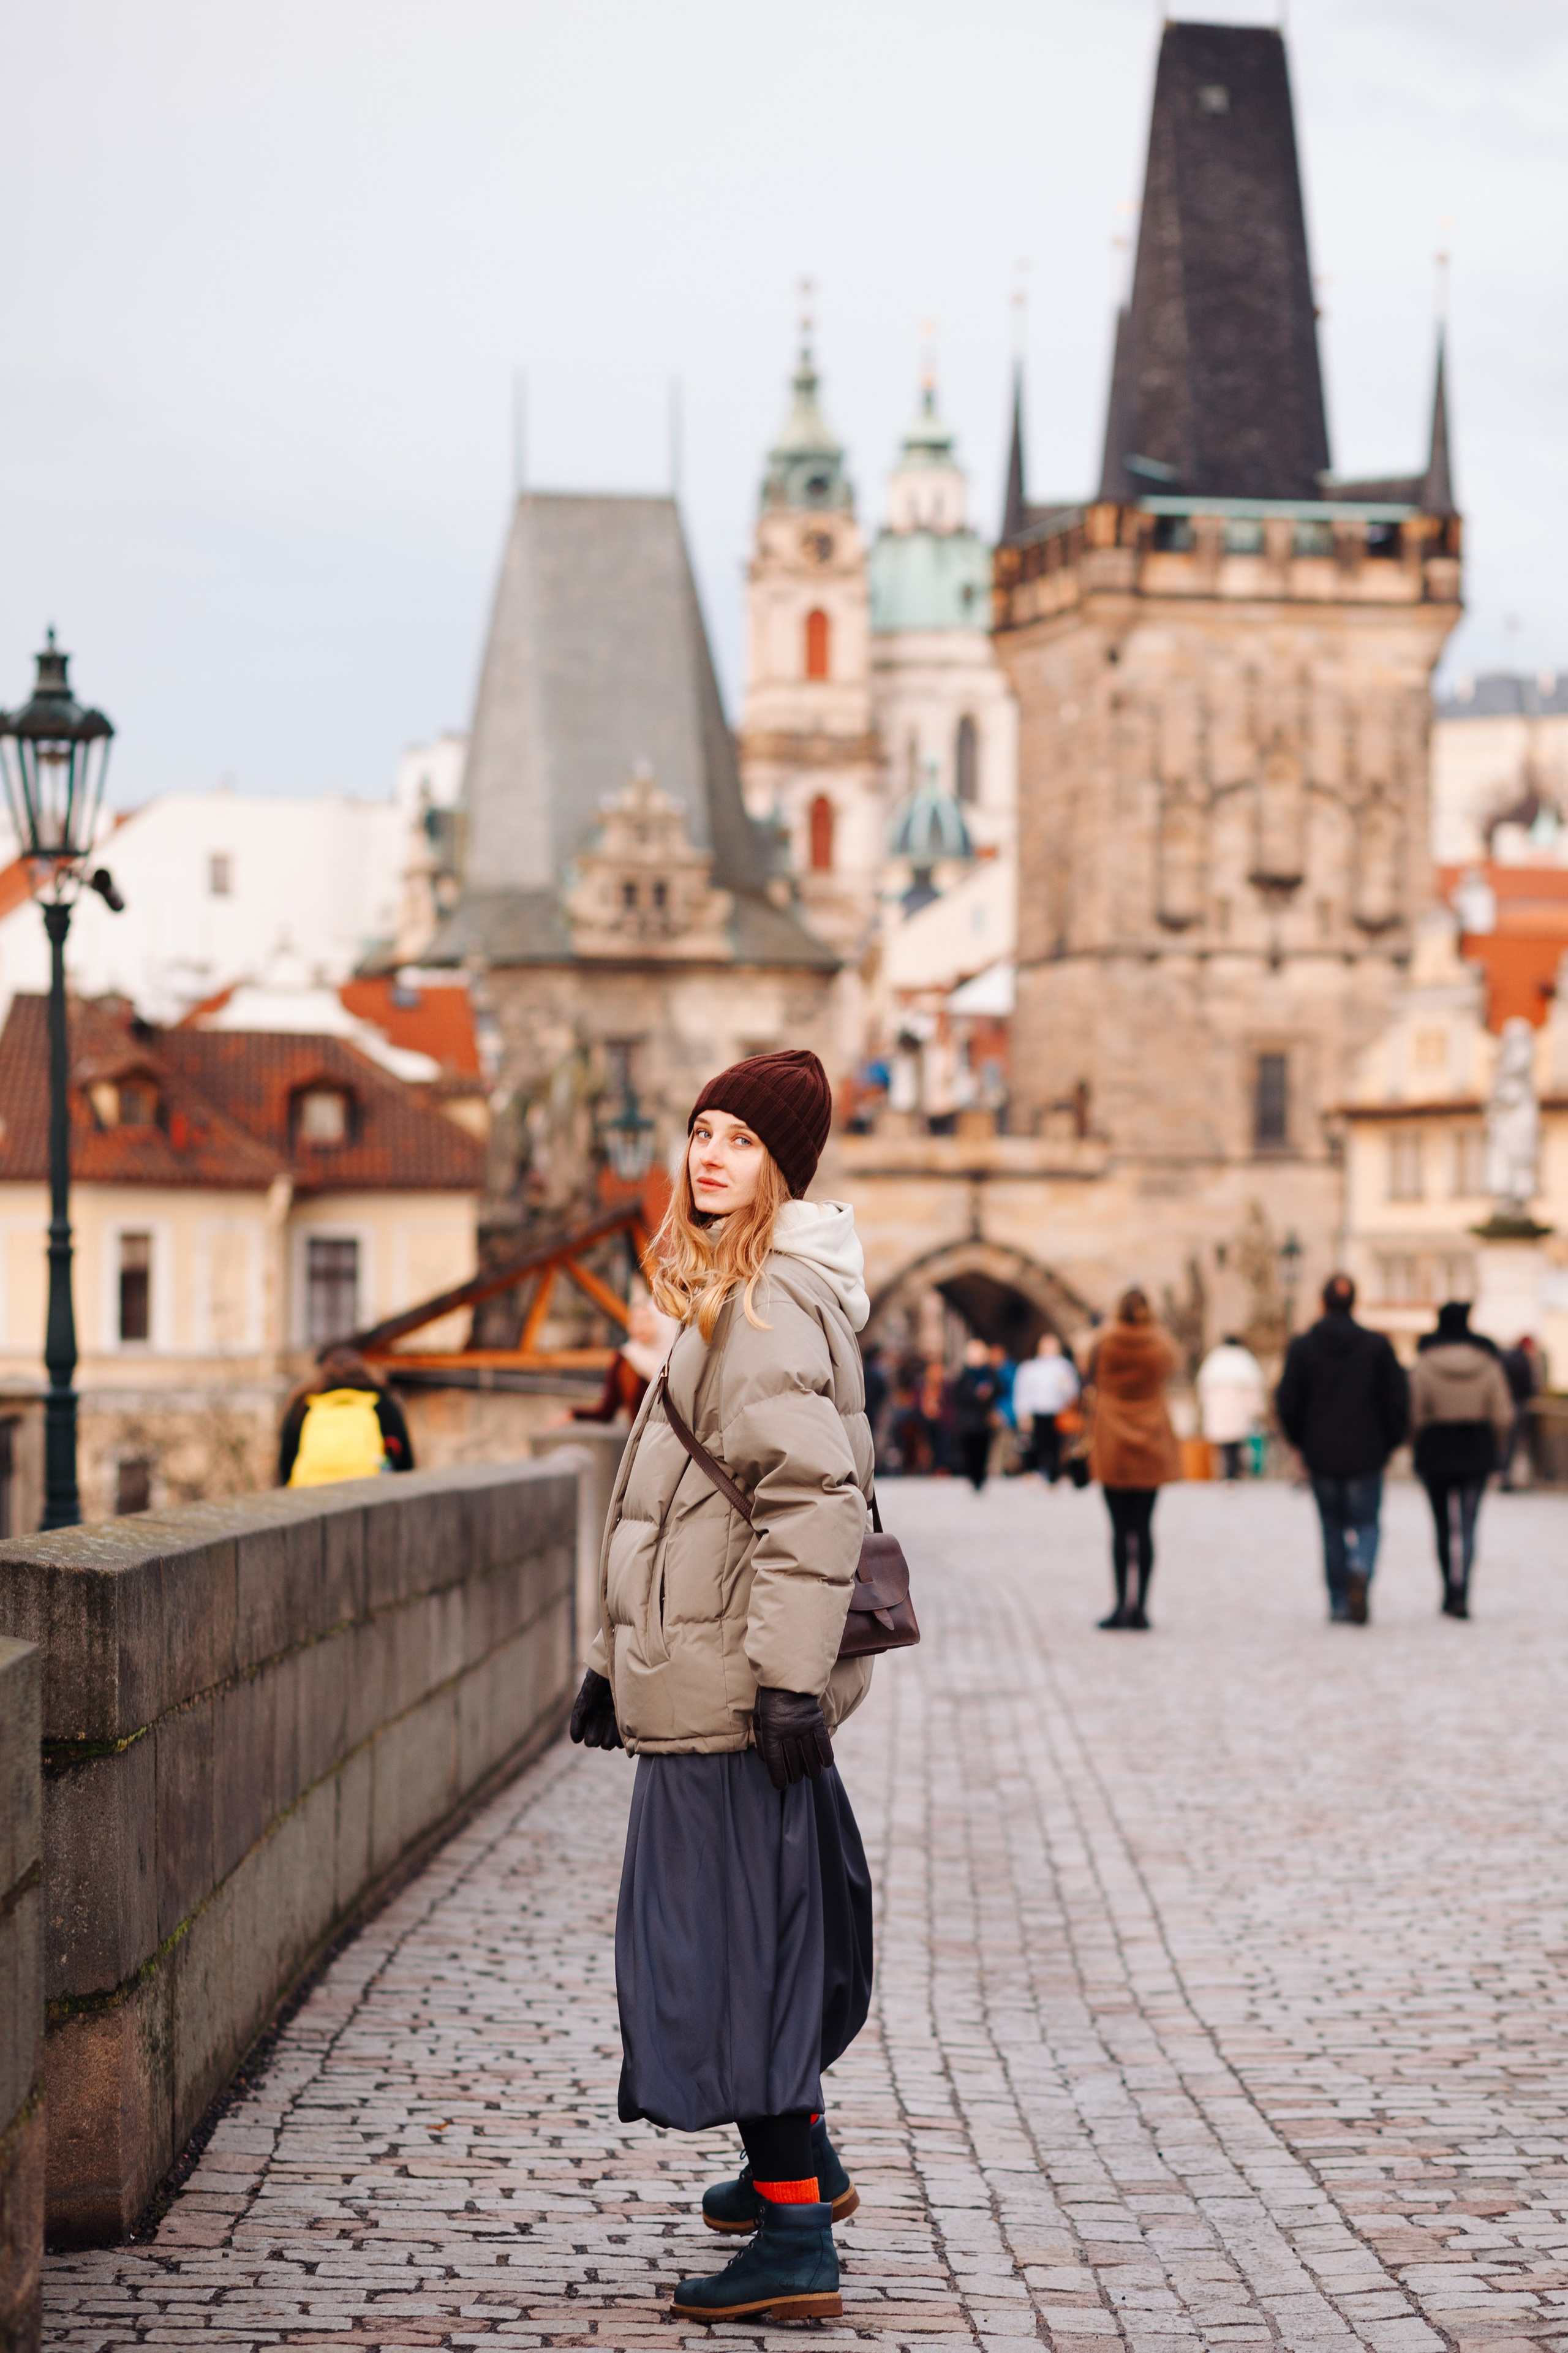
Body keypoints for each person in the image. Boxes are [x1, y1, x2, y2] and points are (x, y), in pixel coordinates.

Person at [568, 1049, 874, 2327]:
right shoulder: (733, 1290)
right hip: (706, 1678)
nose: (707, 1153)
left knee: (730, 1952)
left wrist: (788, 1686)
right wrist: (606, 1666)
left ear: (782, 1169)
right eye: (701, 1127)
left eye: (740, 1139)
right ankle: (786, 2175)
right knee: (752, 1940)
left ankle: (795, 2226)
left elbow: (811, 1504)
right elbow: (667, 1505)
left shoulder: (757, 1308)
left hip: (739, 1691)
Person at [1275, 1274, 1408, 1625]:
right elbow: (1398, 1401)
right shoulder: (1377, 1346)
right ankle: (1361, 1568)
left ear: (1322, 1304)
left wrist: (1300, 1443)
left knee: (1332, 1526)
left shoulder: (1303, 1347)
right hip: (1367, 1452)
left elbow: (1287, 1401)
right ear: (1355, 1304)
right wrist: (1388, 1444)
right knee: (1366, 1523)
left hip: (1322, 1452)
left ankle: (1338, 1600)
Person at [1411, 1301, 1513, 1618]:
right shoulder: (1487, 1363)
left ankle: (1447, 1590)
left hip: (1437, 1446)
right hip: (1476, 1445)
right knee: (1469, 1526)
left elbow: (1414, 1412)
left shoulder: (1425, 1364)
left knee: (1442, 1526)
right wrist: (1496, 1444)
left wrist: (1415, 1441)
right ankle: (1464, 1591)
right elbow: (1504, 1414)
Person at [1085, 1289, 1180, 1629]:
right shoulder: (1160, 1344)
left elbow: (1087, 1369)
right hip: (1151, 1439)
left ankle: (1119, 1604)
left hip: (1112, 1440)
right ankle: (1141, 1607)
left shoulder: (1105, 1342)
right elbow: (1174, 1367)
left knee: (1119, 1529)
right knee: (1144, 1528)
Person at [277, 1346, 415, 1486]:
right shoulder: (382, 1404)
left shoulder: (304, 1405)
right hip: (369, 1491)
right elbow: (405, 1463)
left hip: (309, 1493)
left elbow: (286, 1461)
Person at [568, 1290, 680, 1424]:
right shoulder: (627, 1359)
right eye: (635, 1321)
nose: (639, 1327)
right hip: (643, 1442)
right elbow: (607, 1411)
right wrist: (573, 1414)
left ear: (663, 1321)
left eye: (646, 1320)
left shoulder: (677, 1358)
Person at [1012, 1332, 1080, 1484]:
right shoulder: (1030, 1367)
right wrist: (1023, 1412)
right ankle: (1034, 1470)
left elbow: (1073, 1391)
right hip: (1037, 1410)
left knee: (1055, 1444)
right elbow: (1023, 1391)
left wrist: (1065, 1389)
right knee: (1036, 1442)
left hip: (1057, 1410)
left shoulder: (1064, 1367)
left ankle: (1053, 1474)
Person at [1197, 1334, 1265, 1482]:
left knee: (1225, 1444)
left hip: (1220, 1408)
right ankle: (1233, 1472)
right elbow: (1255, 1387)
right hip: (1238, 1408)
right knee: (1236, 1443)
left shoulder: (1215, 1359)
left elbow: (1204, 1386)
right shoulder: (1245, 1359)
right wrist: (1257, 1409)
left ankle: (1229, 1472)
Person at [950, 1338, 1002, 1490]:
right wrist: (975, 1394)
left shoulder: (990, 1373)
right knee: (969, 1450)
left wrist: (989, 1393)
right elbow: (958, 1395)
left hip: (984, 1419)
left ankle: (981, 1476)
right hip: (968, 1420)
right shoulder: (964, 1375)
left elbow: (999, 1389)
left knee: (983, 1449)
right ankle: (973, 1476)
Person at [1499, 1334, 1540, 1489]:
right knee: (1514, 1443)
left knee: (1507, 1443)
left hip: (1507, 1403)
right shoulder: (1523, 1361)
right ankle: (1508, 1478)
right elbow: (1528, 1386)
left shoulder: (1507, 1358)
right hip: (1518, 1404)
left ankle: (1504, 1475)